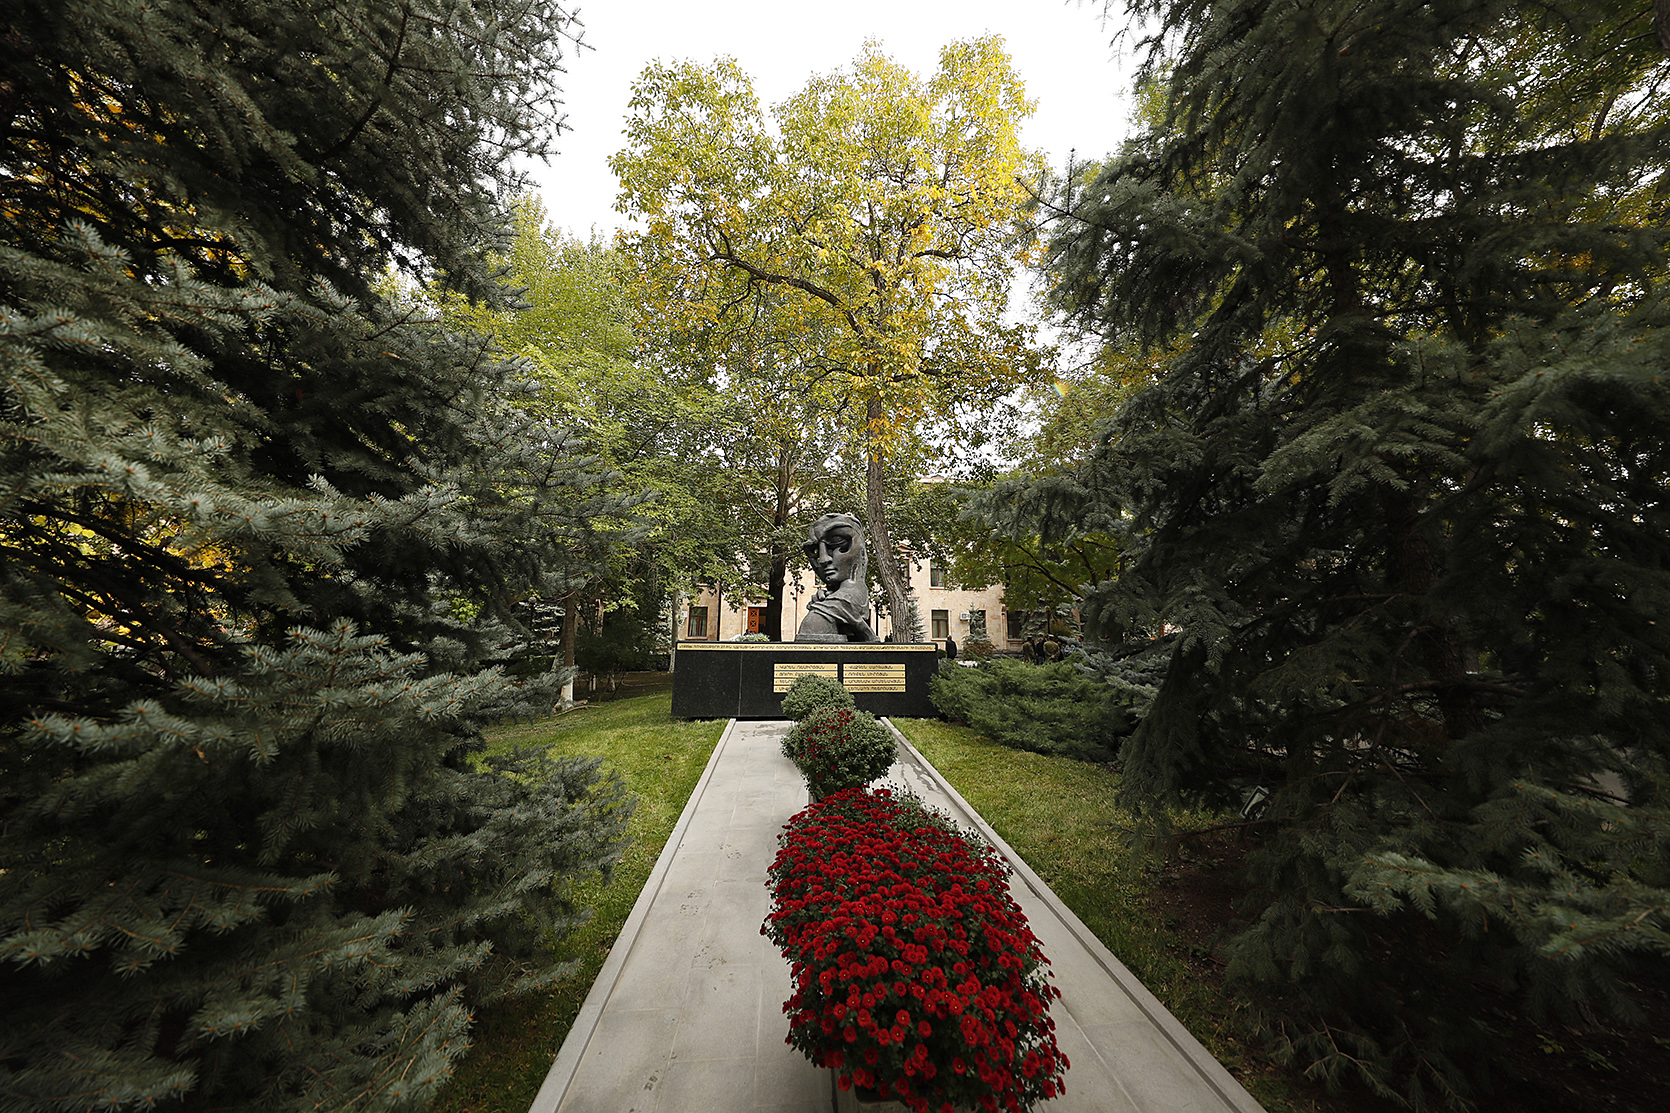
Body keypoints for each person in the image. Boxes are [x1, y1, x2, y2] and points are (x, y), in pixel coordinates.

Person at [794, 513, 880, 643]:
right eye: (815, 551)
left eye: (836, 543)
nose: (823, 559)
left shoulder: (822, 615)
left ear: (860, 549)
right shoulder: (823, 612)